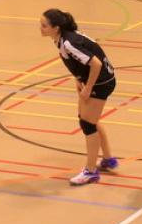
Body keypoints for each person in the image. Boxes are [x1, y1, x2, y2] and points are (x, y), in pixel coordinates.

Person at [40, 9, 118, 185]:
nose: (41, 28)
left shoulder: (68, 42)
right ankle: (108, 159)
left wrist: (88, 87)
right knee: (88, 119)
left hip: (101, 82)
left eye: (44, 26)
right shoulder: (62, 39)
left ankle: (90, 172)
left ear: (56, 28)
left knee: (88, 124)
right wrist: (78, 78)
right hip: (98, 79)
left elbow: (96, 64)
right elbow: (81, 61)